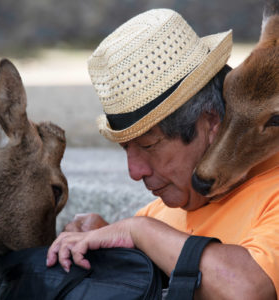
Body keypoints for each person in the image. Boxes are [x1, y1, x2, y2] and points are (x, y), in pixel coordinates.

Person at [47, 9, 278, 299]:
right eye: (125, 149)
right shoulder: (162, 212)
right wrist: (112, 247)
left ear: (210, 124)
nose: (134, 172)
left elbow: (248, 290)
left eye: (148, 145)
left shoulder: (273, 186)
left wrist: (138, 231)